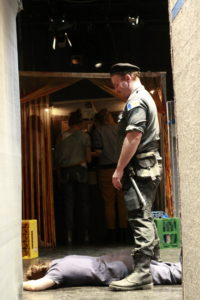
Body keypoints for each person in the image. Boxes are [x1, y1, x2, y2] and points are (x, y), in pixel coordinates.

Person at [109, 63, 163, 291]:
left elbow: (133, 136)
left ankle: (142, 274)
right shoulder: (141, 98)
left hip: (140, 168)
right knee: (145, 214)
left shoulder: (137, 101)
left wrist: (119, 169)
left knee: (139, 216)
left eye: (116, 84)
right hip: (145, 166)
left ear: (128, 77)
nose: (115, 90)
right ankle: (155, 265)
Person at [23, 250, 181, 291]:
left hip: (119, 269)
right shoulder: (62, 260)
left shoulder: (57, 273)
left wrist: (19, 283)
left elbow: (35, 286)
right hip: (120, 258)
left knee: (175, 275)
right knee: (169, 267)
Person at [54, 109, 91, 245]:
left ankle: (69, 235)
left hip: (65, 172)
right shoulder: (85, 137)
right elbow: (88, 158)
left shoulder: (61, 136)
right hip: (80, 170)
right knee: (83, 203)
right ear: (80, 123)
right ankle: (85, 234)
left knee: (68, 204)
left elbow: (56, 158)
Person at [92, 109, 128, 243]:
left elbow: (99, 151)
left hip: (106, 170)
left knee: (109, 202)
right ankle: (124, 233)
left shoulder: (98, 131)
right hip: (121, 168)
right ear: (109, 117)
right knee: (122, 202)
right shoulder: (120, 129)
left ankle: (112, 233)